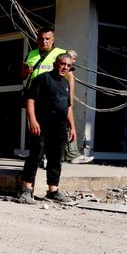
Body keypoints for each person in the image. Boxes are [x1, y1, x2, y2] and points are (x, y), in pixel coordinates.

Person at [17, 53, 76, 204]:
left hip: (60, 126)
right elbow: (30, 99)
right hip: (42, 124)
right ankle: (26, 190)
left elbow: (68, 107)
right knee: (36, 155)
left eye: (68, 65)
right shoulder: (43, 79)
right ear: (56, 63)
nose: (65, 67)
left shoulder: (65, 83)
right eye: (62, 64)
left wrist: (72, 127)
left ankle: (53, 191)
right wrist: (33, 120)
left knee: (56, 158)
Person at [63, 49, 94, 164]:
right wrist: (69, 102)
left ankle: (71, 154)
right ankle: (72, 155)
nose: (67, 62)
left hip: (64, 103)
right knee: (68, 127)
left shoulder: (68, 70)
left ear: (74, 60)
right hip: (61, 103)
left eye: (70, 58)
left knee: (69, 127)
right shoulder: (66, 70)